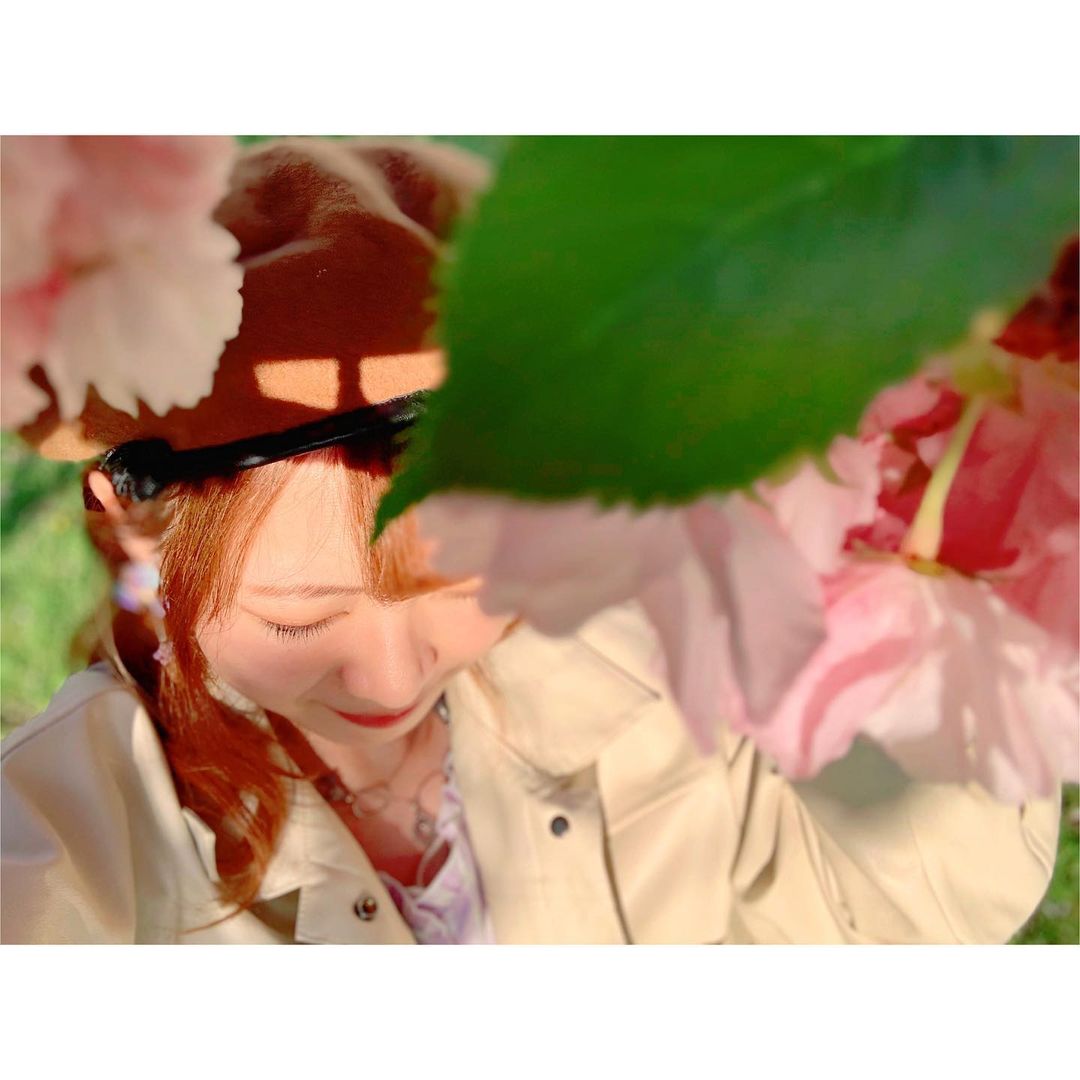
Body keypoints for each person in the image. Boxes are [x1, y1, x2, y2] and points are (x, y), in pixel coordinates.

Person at [0, 137, 1061, 944]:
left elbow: (887, 904)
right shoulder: (79, 833)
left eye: (466, 580)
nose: (392, 676)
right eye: (298, 619)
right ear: (136, 526)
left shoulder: (636, 652)